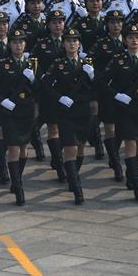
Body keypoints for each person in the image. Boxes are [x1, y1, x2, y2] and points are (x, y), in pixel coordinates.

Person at [39, 27, 96, 205]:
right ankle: (77, 188)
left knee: (80, 146)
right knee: (70, 147)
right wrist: (59, 98)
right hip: (65, 111)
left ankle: (74, 175)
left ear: (79, 44)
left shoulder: (87, 63)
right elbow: (46, 85)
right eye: (69, 41)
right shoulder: (58, 63)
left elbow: (96, 88)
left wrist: (93, 75)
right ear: (63, 44)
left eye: (75, 41)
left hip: (83, 110)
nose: (72, 44)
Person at [0, 28, 37, 205]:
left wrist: (34, 79)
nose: (18, 45)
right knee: (13, 147)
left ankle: (17, 178)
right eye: (14, 42)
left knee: (23, 148)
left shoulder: (31, 63)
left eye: (21, 42)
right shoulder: (4, 63)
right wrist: (2, 100)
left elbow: (41, 87)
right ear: (10, 45)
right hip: (10, 110)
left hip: (26, 109)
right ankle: (18, 187)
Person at [102, 22, 138, 201]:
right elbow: (102, 82)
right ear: (125, 40)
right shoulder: (118, 59)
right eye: (130, 37)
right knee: (130, 143)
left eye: (137, 37)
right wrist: (117, 95)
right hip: (125, 107)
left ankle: (132, 175)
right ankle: (137, 185)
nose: (134, 40)